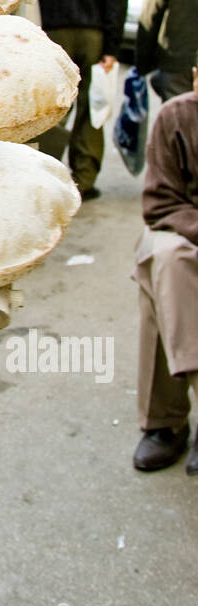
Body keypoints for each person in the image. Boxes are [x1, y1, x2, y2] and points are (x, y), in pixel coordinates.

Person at [34, 0, 128, 200]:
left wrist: (40, 29)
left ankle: (43, 173)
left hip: (55, 31)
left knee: (56, 105)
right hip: (94, 35)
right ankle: (83, 180)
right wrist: (112, 47)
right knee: (92, 107)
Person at [131, 62, 198, 476]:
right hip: (179, 230)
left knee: (167, 282)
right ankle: (165, 424)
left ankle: (164, 420)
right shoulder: (175, 117)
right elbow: (159, 206)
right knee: (167, 262)